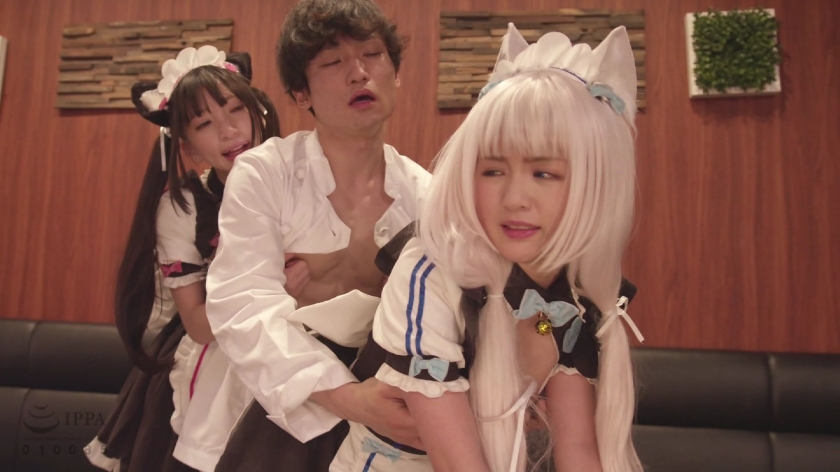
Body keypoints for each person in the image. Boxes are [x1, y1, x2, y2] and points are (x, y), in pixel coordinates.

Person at [331, 24, 646, 472]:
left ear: (597, 185)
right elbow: (457, 463)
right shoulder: (430, 274)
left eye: (544, 174)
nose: (514, 198)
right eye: (493, 170)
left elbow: (578, 451)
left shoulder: (569, 299)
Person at [205, 0, 431, 470]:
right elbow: (242, 303)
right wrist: (350, 399)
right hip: (282, 404)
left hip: (389, 412)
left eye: (372, 55)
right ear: (301, 93)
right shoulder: (265, 173)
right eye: (332, 62)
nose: (359, 73)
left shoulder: (426, 193)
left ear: (396, 75)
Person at [85, 45, 286, 472]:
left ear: (258, 111)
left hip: (300, 353)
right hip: (214, 360)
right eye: (204, 123)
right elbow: (197, 324)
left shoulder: (305, 179)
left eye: (235, 109)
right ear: (188, 145)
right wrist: (277, 291)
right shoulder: (184, 208)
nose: (229, 130)